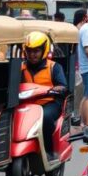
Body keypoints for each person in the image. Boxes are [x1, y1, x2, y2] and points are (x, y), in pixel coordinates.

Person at [21, 31, 68, 159]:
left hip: (50, 103)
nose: (32, 55)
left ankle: (49, 151)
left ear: (44, 50)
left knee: (45, 118)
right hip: (27, 105)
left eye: (35, 51)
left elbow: (63, 86)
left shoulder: (54, 67)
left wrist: (54, 90)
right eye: (29, 51)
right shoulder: (21, 67)